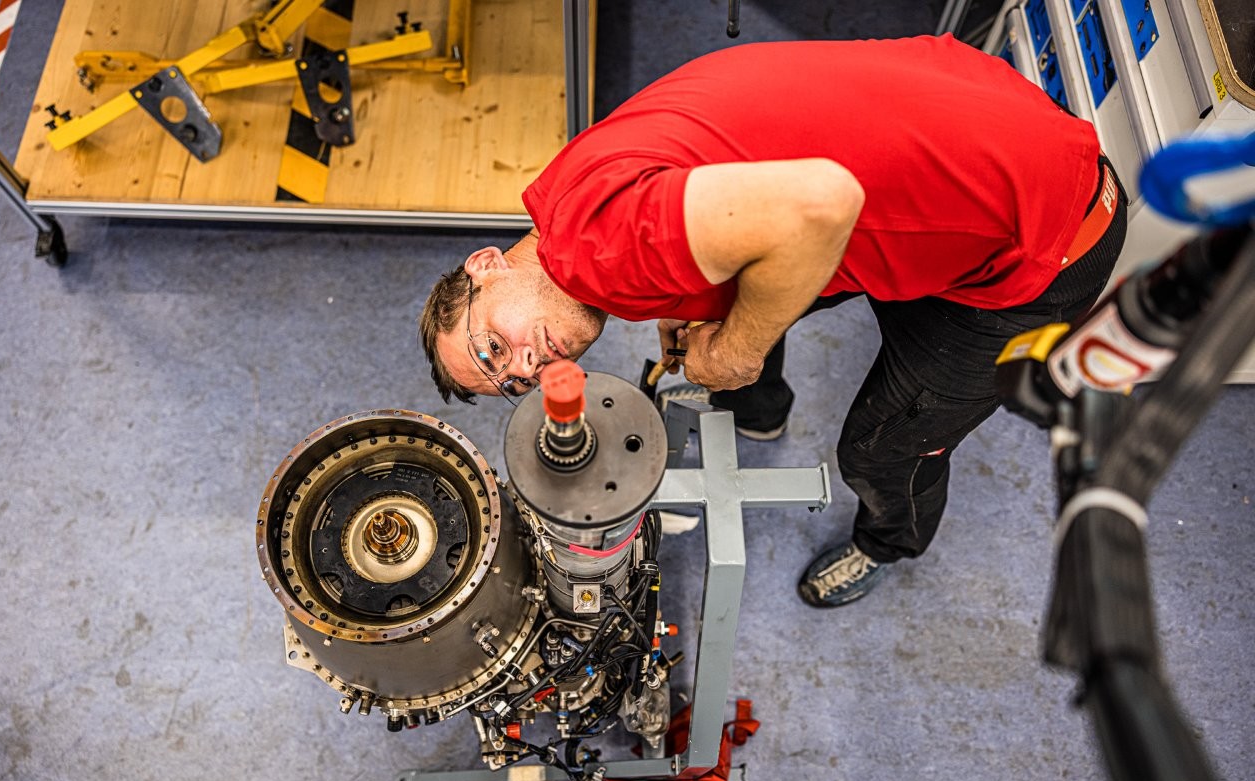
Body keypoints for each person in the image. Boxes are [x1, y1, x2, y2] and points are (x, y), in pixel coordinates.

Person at [419, 35, 1127, 608]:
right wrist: (693, 303)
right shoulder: (564, 197)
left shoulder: (607, 249)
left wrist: (737, 350)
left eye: (491, 348)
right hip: (975, 125)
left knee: (881, 450)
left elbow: (819, 206)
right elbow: (733, 196)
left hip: (1039, 241)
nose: (526, 367)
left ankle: (886, 545)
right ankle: (758, 411)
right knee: (728, 308)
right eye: (513, 384)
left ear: (486, 265)